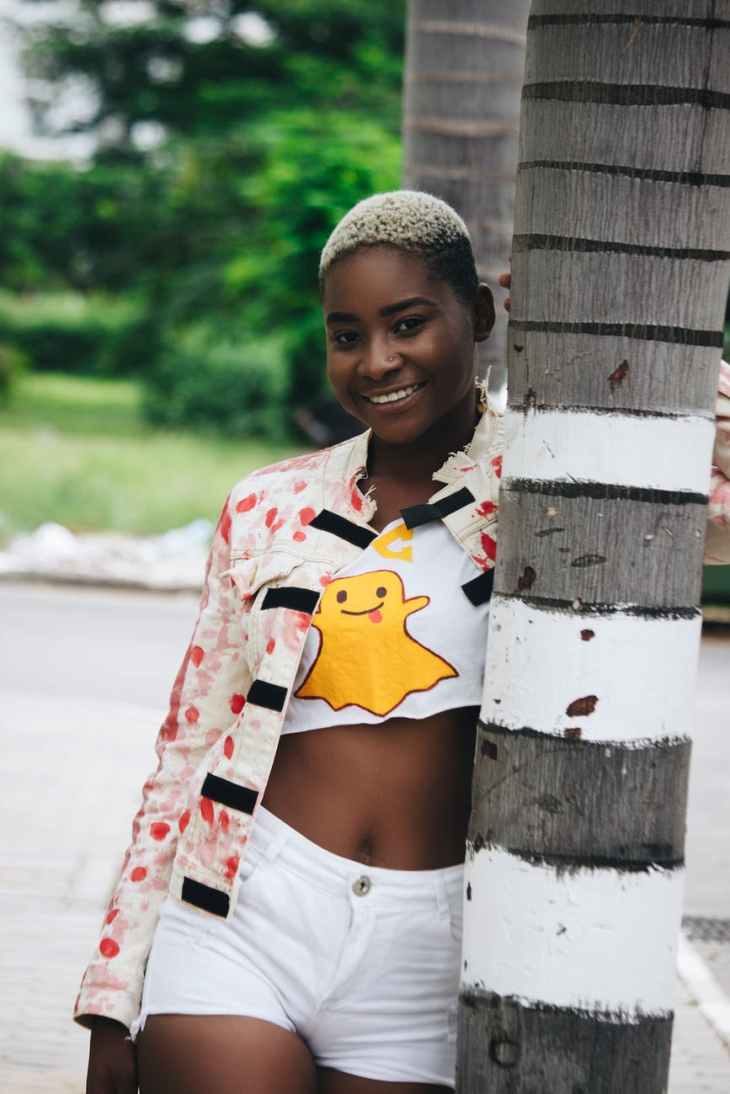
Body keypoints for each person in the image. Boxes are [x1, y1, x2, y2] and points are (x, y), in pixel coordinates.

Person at [78, 191, 730, 1094]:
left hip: (430, 951)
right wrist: (114, 991)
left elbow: (717, 493)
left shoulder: (560, 480)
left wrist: (583, 335)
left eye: (409, 324)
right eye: (347, 334)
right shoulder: (269, 502)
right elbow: (188, 744)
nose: (377, 361)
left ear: (484, 314)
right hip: (246, 914)